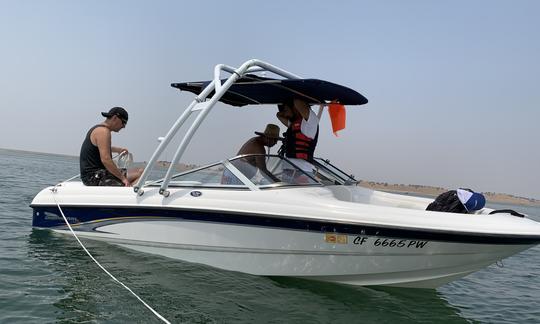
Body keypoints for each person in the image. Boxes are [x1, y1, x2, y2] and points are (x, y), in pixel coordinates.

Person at [79, 107, 142, 186]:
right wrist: (123, 178)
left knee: (141, 172)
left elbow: (100, 148)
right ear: (115, 118)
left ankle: (128, 190)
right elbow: (106, 159)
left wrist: (119, 150)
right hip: (94, 177)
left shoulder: (98, 129)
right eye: (123, 122)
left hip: (95, 175)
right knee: (138, 175)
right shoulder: (103, 132)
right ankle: (128, 193)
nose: (124, 126)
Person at [276, 98, 320, 180]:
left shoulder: (311, 122)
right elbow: (278, 115)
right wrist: (286, 109)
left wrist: (292, 102)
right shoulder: (293, 124)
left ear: (295, 108)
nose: (285, 115)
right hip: (288, 172)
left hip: (301, 173)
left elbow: (297, 101)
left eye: (285, 110)